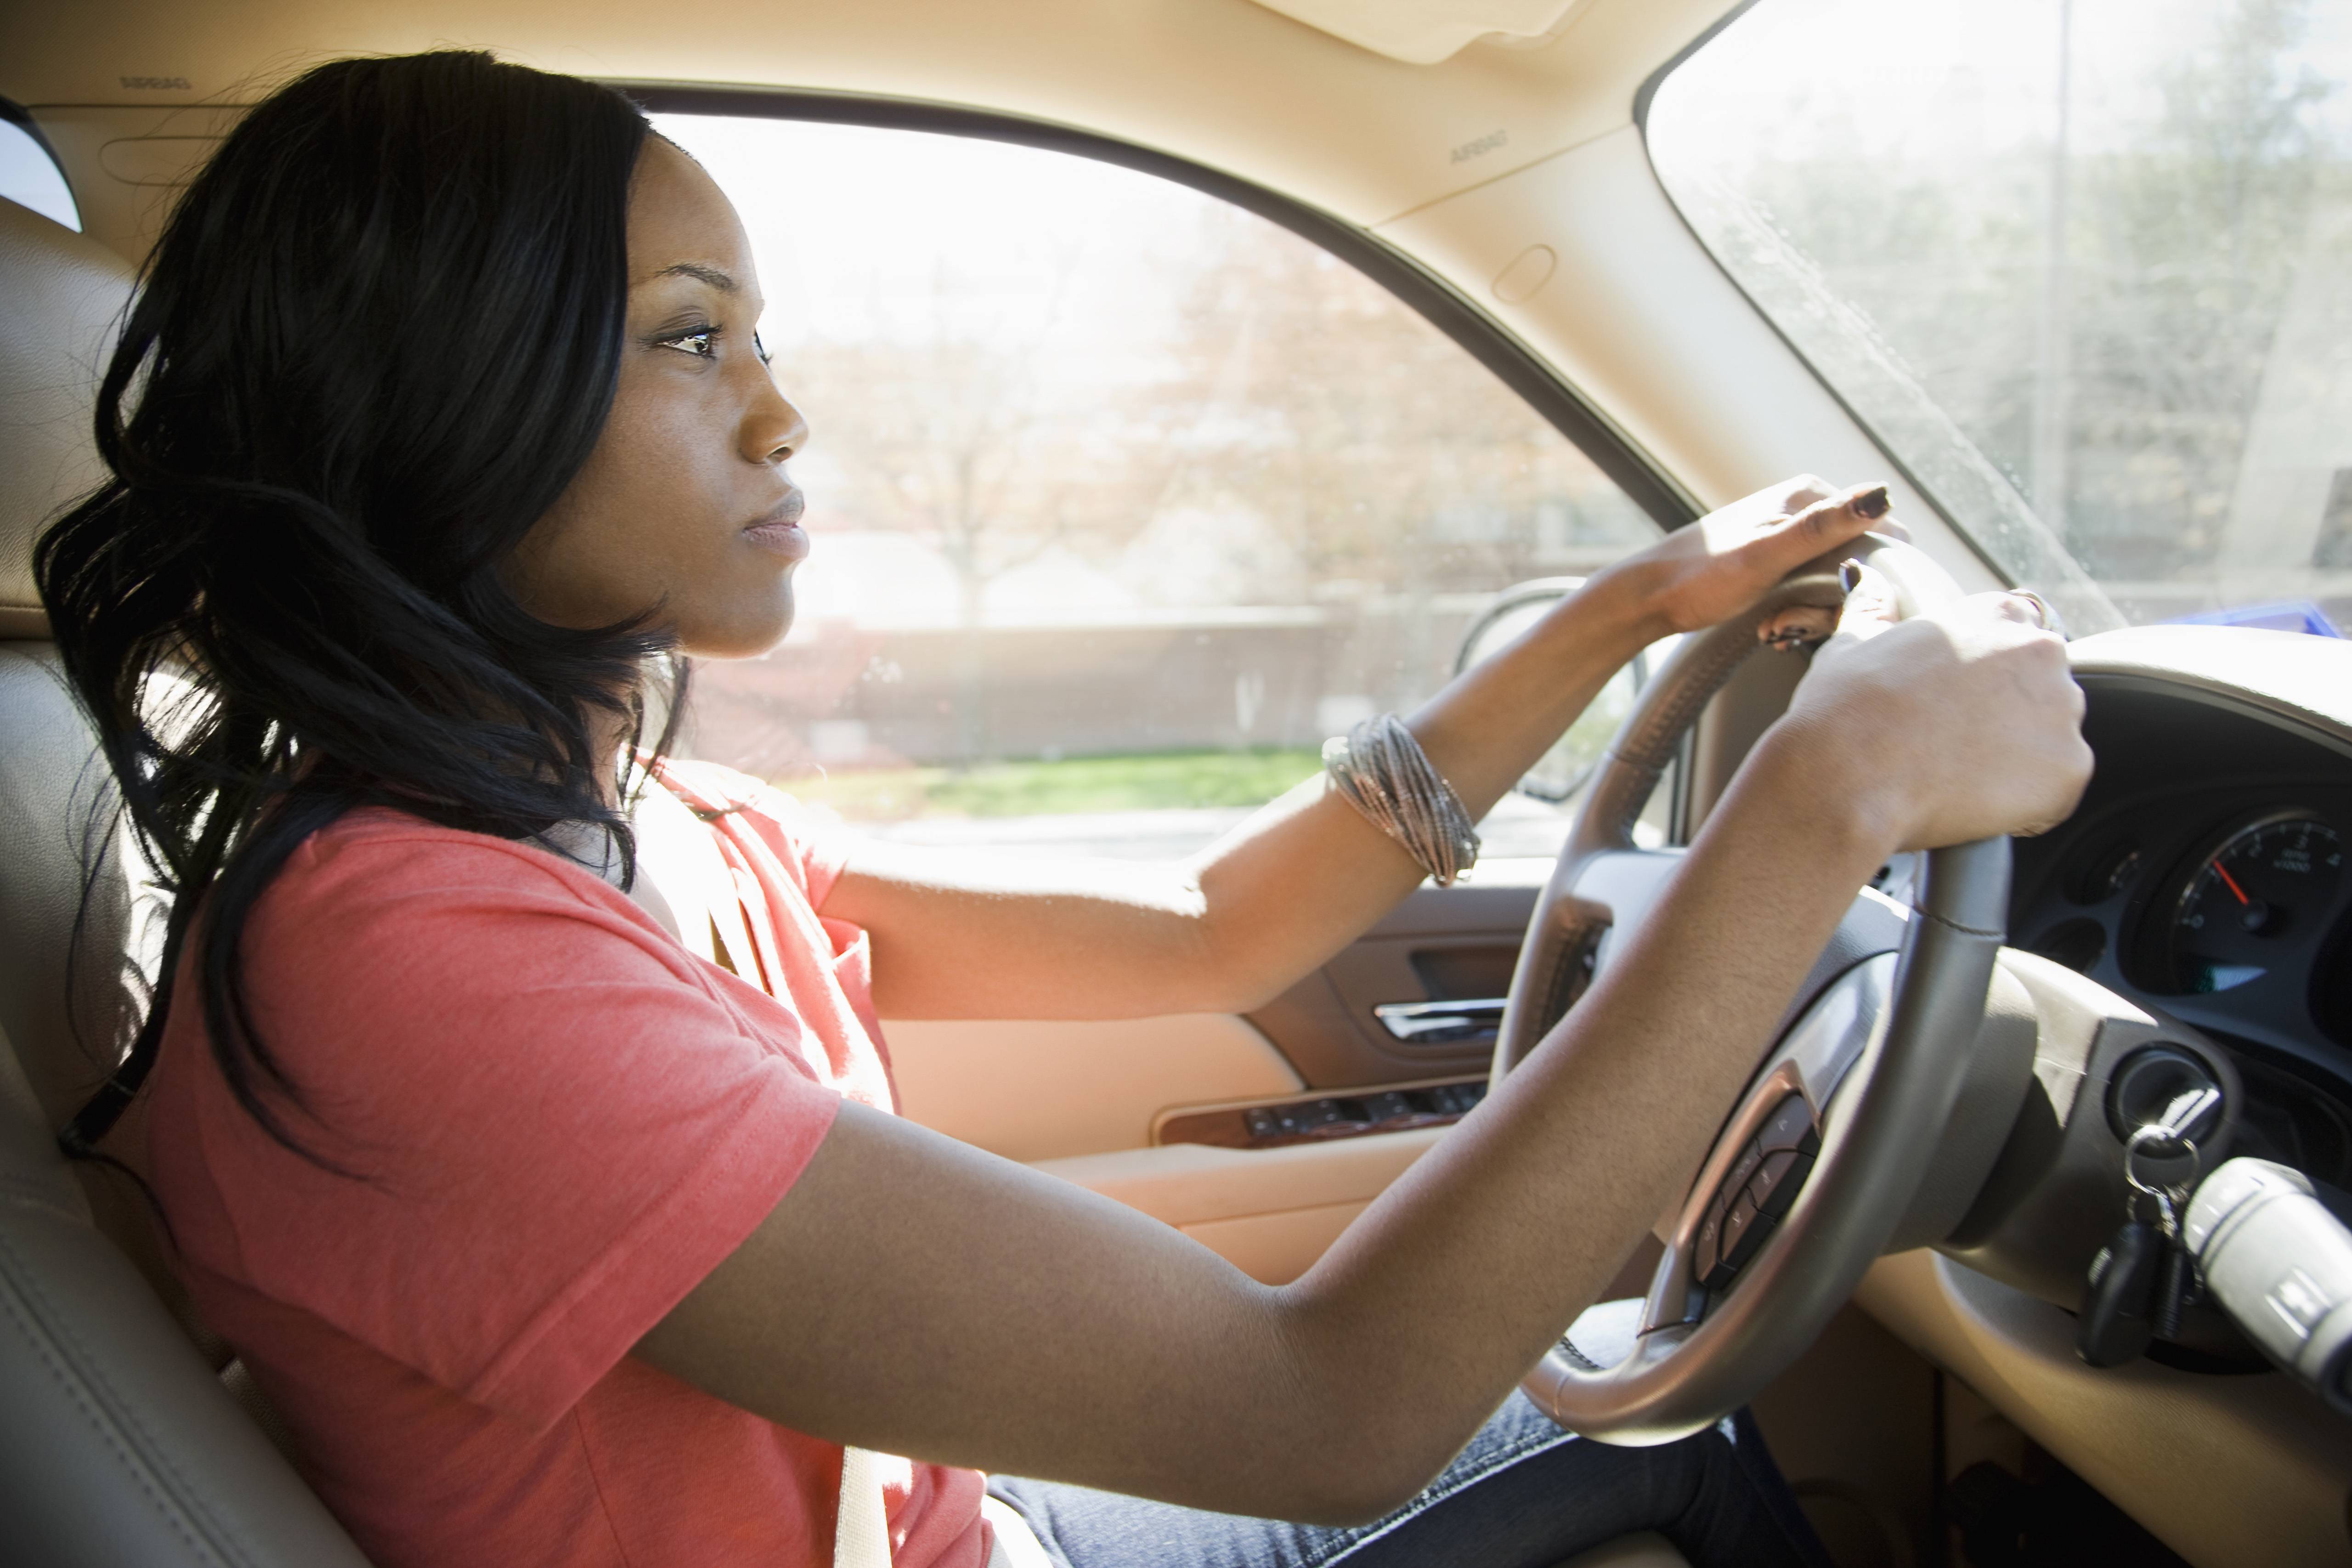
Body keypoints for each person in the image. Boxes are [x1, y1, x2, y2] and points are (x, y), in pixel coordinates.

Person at [33, 50, 2091, 1568]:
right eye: (689, 342)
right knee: (1667, 1425)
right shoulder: (410, 959)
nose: (781, 406)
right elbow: (1324, 1404)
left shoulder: (615, 826)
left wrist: (1618, 615)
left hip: (977, 1528)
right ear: (442, 409)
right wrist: (1821, 793)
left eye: (759, 333)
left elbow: (1215, 934)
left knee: (1627, 1375)